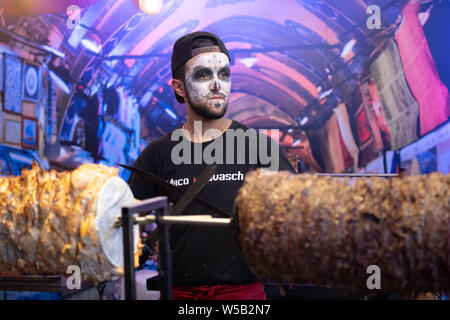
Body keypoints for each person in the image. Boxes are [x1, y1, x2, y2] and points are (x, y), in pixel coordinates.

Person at [128, 31, 295, 300]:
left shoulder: (259, 148)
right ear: (179, 87)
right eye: (203, 75)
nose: (218, 85)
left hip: (242, 296)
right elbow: (130, 225)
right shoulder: (157, 155)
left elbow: (294, 217)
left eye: (224, 74)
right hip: (179, 296)